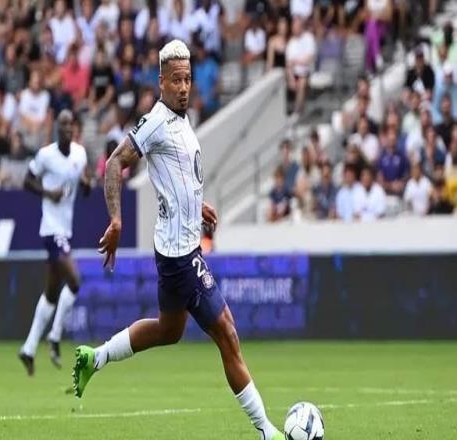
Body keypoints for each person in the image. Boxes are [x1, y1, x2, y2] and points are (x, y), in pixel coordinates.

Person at [72, 40, 284, 440]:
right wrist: (116, 219)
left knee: (169, 330)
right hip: (181, 256)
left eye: (187, 79)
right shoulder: (155, 122)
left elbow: (177, 175)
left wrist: (196, 204)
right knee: (227, 333)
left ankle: (94, 357)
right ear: (161, 82)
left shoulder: (181, 120)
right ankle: (267, 432)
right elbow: (115, 163)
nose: (184, 87)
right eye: (176, 80)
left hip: (175, 249)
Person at [18, 110, 90, 376]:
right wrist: (48, 193)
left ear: (75, 129)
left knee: (50, 294)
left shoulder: (80, 154)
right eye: (63, 125)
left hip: (65, 231)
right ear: (57, 129)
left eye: (71, 124)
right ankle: (55, 335)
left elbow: (84, 184)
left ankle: (28, 349)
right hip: (51, 229)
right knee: (75, 282)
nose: (67, 128)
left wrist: (86, 184)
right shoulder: (45, 155)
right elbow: (27, 181)